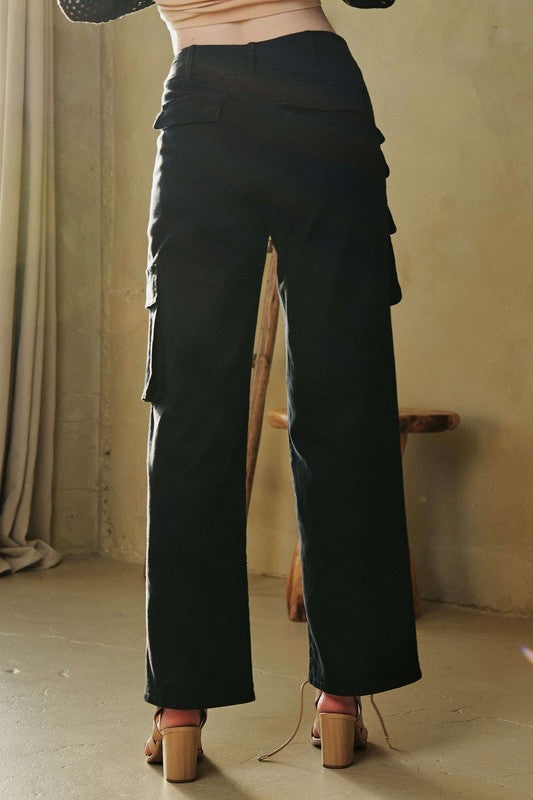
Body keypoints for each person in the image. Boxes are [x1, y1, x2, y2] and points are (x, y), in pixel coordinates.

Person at [57, 0, 422, 783]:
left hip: (203, 104)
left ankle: (180, 708)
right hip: (321, 96)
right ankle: (342, 697)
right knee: (345, 402)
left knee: (189, 411)